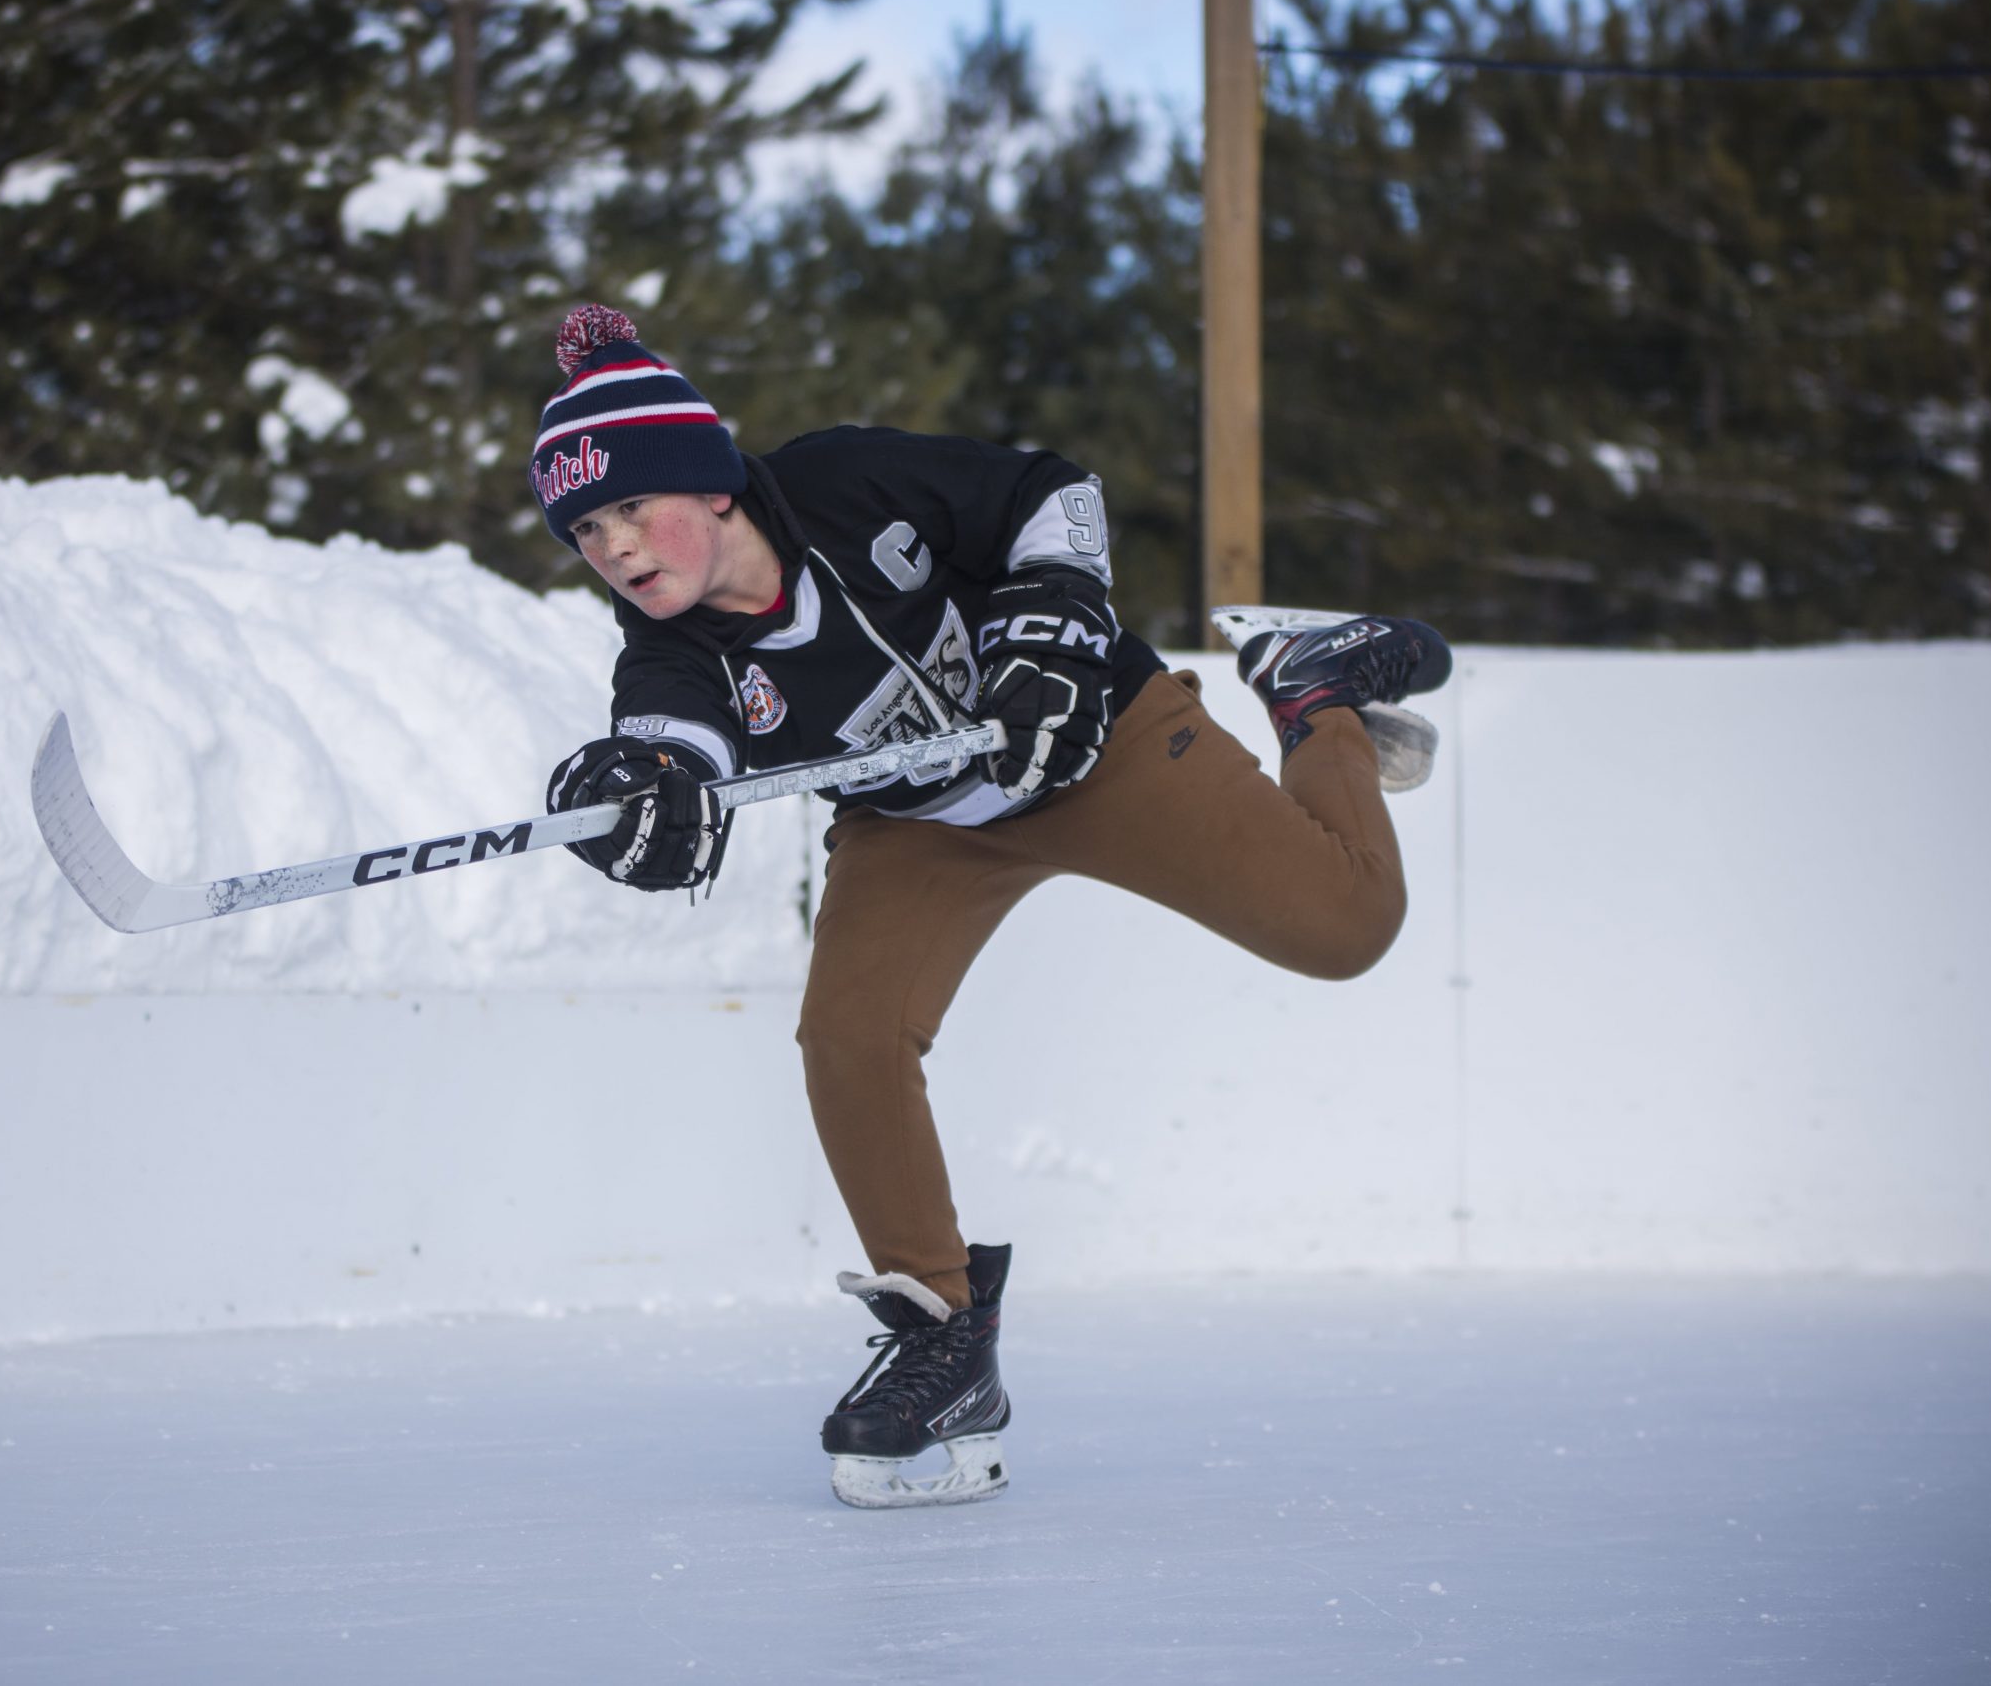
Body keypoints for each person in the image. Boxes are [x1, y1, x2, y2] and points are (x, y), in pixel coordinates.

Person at [532, 305, 1449, 1509]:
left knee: (1345, 930)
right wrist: (639, 795)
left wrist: (1053, 619)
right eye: (585, 532)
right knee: (848, 1039)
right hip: (921, 825)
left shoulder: (846, 482)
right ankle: (941, 1339)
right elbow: (667, 741)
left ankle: (1314, 686)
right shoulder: (667, 648)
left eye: (629, 510)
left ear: (707, 486)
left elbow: (1050, 492)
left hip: (1099, 748)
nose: (615, 549)